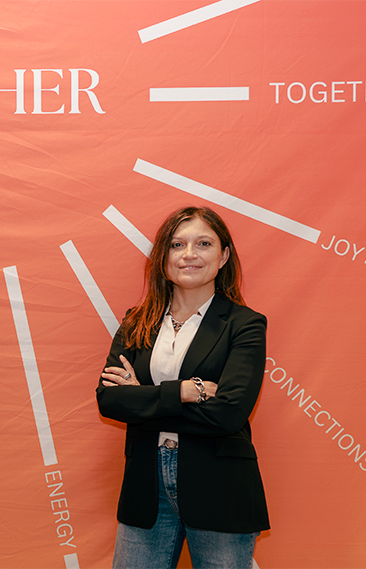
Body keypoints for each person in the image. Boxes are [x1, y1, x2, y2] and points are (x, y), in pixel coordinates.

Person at [96, 206, 269, 569]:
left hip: (219, 488)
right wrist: (186, 391)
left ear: (223, 256)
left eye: (203, 243)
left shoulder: (245, 325)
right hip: (146, 488)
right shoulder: (136, 321)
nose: (189, 254)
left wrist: (143, 400)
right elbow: (110, 400)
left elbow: (228, 414)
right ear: (163, 257)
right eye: (177, 244)